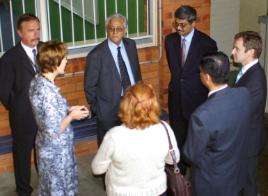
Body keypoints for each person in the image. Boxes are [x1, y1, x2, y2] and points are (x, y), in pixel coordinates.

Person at [91, 81, 180, 196]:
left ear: (125, 105)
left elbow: (97, 169)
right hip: (158, 191)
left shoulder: (114, 136)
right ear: (154, 104)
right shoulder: (164, 128)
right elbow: (173, 159)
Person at [183, 51, 252, 196]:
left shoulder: (201, 116)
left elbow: (190, 156)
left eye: (200, 72)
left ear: (207, 77)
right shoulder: (244, 95)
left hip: (212, 185)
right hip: (237, 177)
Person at [28, 41, 90, 195]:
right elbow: (53, 130)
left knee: (49, 186)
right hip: (56, 153)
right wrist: (71, 117)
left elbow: (48, 113)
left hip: (46, 147)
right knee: (58, 189)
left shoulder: (38, 80)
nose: (67, 60)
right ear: (54, 63)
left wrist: (69, 109)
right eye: (64, 58)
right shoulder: (47, 92)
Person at [165, 5, 217, 175]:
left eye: (183, 25)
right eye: (176, 24)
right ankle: (180, 178)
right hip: (176, 99)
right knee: (177, 140)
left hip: (197, 101)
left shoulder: (207, 44)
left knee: (196, 141)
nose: (178, 28)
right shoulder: (170, 40)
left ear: (193, 23)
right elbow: (177, 71)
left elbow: (210, 75)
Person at [84, 13, 142, 146]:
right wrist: (98, 109)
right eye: (111, 28)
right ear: (107, 30)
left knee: (131, 143)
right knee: (108, 147)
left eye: (119, 29)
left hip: (132, 103)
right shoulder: (96, 55)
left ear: (125, 30)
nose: (115, 32)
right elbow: (89, 86)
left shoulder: (131, 45)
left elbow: (136, 72)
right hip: (108, 110)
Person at [0, 13, 41, 195]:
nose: (36, 34)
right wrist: (18, 107)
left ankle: (47, 182)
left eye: (38, 29)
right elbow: (3, 91)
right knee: (22, 156)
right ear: (19, 32)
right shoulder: (9, 58)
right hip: (22, 116)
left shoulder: (45, 50)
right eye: (31, 30)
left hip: (45, 114)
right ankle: (23, 190)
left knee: (44, 153)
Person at [231, 31, 267, 196]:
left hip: (248, 143)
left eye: (236, 49)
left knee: (248, 185)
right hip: (243, 141)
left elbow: (243, 115)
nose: (232, 52)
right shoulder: (245, 72)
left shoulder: (256, 80)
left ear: (250, 52)